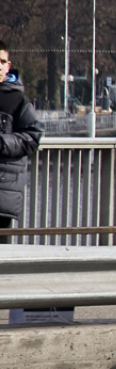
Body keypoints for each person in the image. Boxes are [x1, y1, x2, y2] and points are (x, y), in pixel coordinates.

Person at [0, 44, 43, 230]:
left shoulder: (17, 100)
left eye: (2, 61)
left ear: (8, 66)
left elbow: (33, 136)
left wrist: (2, 143)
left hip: (2, 196)